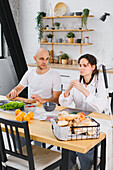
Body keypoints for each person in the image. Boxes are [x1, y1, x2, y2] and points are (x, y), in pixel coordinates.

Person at [59, 54, 108, 170]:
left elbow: (100, 106)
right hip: (79, 120)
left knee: (82, 145)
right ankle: (71, 166)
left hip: (95, 122)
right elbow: (63, 103)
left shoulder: (99, 83)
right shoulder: (77, 81)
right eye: (80, 65)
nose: (81, 68)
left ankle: (90, 164)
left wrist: (83, 90)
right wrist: (68, 89)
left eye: (85, 65)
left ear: (93, 67)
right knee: (66, 140)